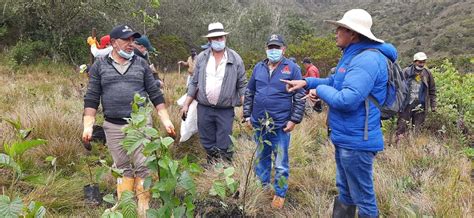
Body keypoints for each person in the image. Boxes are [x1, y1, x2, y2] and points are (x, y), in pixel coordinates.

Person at [282, 9, 398, 218]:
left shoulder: (367, 60)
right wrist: (307, 82)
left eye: (340, 29)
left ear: (352, 33)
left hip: (357, 141)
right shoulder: (352, 55)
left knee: (363, 197)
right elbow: (335, 82)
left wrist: (319, 91)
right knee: (345, 191)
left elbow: (347, 100)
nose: (335, 32)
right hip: (346, 136)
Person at [82, 24, 175, 217]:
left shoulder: (141, 64)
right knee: (122, 166)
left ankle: (143, 207)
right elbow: (92, 97)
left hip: (140, 125)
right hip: (112, 125)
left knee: (143, 165)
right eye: (127, 40)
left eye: (133, 40)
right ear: (114, 43)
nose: (131, 44)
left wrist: (165, 119)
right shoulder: (100, 65)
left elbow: (155, 94)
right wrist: (88, 125)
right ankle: (125, 206)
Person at [243, 34, 305, 209]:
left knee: (281, 162)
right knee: (261, 157)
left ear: (283, 49)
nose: (273, 51)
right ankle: (262, 188)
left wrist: (294, 120)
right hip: (259, 124)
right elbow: (250, 92)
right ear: (266, 49)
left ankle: (280, 193)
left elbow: (300, 97)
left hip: (280, 125)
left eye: (277, 48)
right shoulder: (258, 67)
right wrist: (247, 115)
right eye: (271, 47)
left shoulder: (292, 68)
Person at [180, 22, 247, 163]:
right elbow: (194, 82)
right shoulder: (202, 58)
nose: (219, 41)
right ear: (209, 40)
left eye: (221, 37)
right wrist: (186, 104)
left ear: (225, 38)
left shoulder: (235, 59)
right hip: (204, 107)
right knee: (206, 139)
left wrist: (246, 109)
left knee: (224, 140)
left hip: (225, 109)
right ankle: (211, 163)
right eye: (215, 38)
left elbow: (242, 85)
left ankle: (224, 167)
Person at [396, 52, 436, 142]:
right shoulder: (406, 71)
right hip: (406, 105)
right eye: (419, 62)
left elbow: (432, 90)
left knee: (418, 129)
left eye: (423, 62)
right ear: (414, 61)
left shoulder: (427, 73)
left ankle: (415, 147)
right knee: (402, 126)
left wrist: (433, 105)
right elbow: (398, 88)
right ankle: (399, 146)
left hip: (421, 105)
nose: (421, 64)